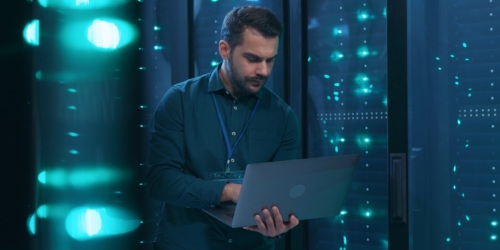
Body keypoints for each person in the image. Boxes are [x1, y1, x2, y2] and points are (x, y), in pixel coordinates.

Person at [147, 5, 300, 249]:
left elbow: (279, 194)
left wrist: (278, 225)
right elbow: (161, 180)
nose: (263, 70)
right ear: (224, 50)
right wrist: (227, 191)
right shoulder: (180, 101)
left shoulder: (283, 117)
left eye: (270, 60)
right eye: (252, 59)